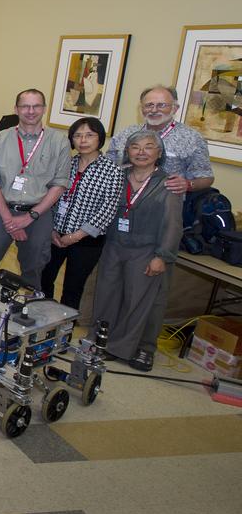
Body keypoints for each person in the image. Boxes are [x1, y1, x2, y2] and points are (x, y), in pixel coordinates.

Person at [93, 131, 183, 371]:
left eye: (149, 147)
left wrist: (162, 256)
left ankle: (141, 348)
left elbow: (173, 224)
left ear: (159, 153)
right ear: (128, 151)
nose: (141, 152)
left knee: (141, 300)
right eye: (135, 147)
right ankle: (104, 342)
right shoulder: (117, 175)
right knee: (107, 296)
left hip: (147, 249)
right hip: (114, 245)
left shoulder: (168, 183)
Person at [0, 89, 71, 289]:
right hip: (1, 209)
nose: (30, 111)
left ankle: (24, 315)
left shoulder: (59, 142)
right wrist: (9, 220)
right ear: (16, 109)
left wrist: (30, 217)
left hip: (38, 213)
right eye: (25, 106)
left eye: (36, 106)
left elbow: (59, 183)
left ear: (44, 109)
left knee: (33, 270)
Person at [39, 117, 124, 310]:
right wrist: (52, 229)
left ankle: (63, 332)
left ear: (100, 138)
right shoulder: (65, 164)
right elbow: (51, 197)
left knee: (72, 288)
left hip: (87, 241)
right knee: (43, 280)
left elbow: (108, 210)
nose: (83, 140)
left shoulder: (112, 171)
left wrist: (76, 235)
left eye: (89, 135)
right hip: (55, 236)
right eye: (77, 135)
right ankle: (41, 321)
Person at [106, 85, 214, 195]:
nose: (154, 110)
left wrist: (188, 184)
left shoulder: (192, 138)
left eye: (161, 105)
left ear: (175, 108)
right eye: (149, 105)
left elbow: (206, 177)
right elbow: (108, 167)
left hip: (163, 204)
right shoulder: (125, 134)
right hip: (119, 200)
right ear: (141, 108)